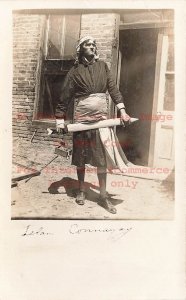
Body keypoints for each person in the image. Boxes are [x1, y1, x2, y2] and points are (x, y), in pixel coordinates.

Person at [55, 36, 131, 214]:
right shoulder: (75, 71)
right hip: (81, 120)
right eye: (88, 44)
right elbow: (65, 94)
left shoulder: (103, 66)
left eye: (93, 44)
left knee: (101, 159)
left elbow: (113, 89)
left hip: (101, 120)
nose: (92, 46)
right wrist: (59, 118)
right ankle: (81, 190)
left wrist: (123, 111)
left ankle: (103, 196)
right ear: (80, 48)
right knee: (80, 156)